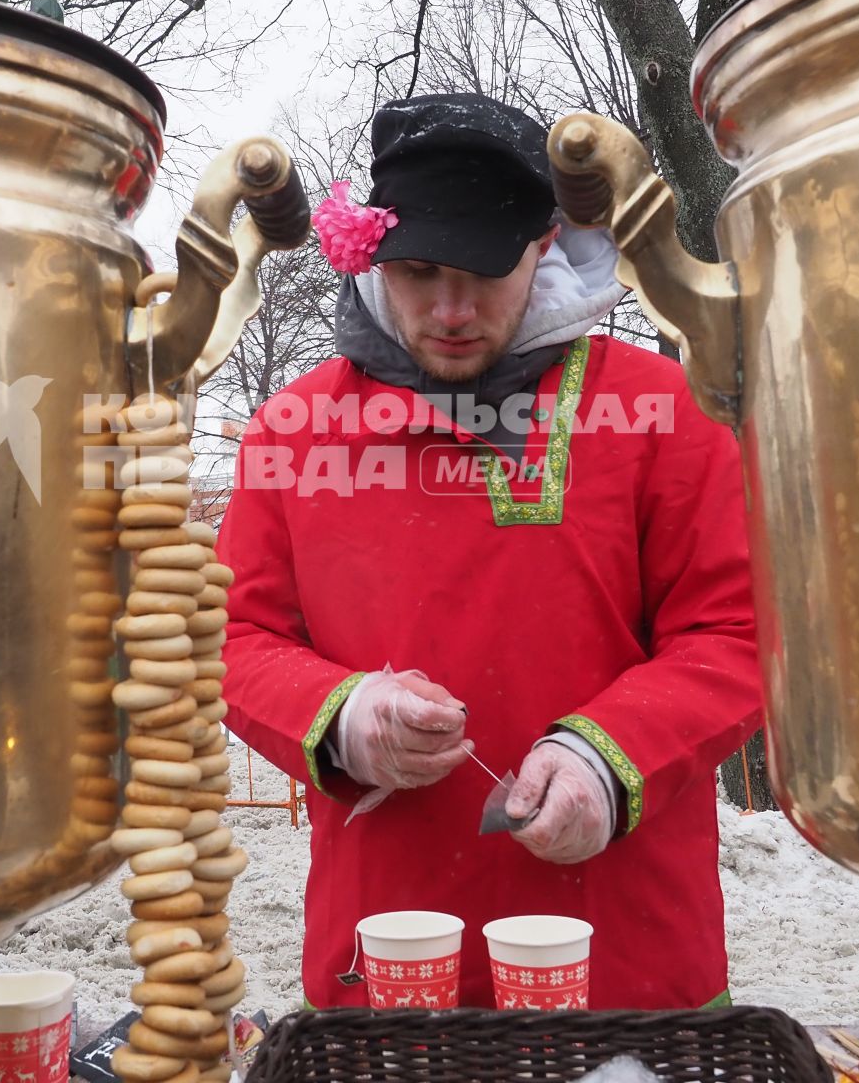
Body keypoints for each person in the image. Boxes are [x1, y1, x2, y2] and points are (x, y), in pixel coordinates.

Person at [216, 93, 762, 1011]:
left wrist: (608, 757)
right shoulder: (294, 429)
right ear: (372, 258)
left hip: (628, 957)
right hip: (383, 953)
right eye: (420, 271)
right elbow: (233, 640)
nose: (453, 308)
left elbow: (739, 634)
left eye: (486, 269)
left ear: (545, 245)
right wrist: (341, 714)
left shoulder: (665, 409)